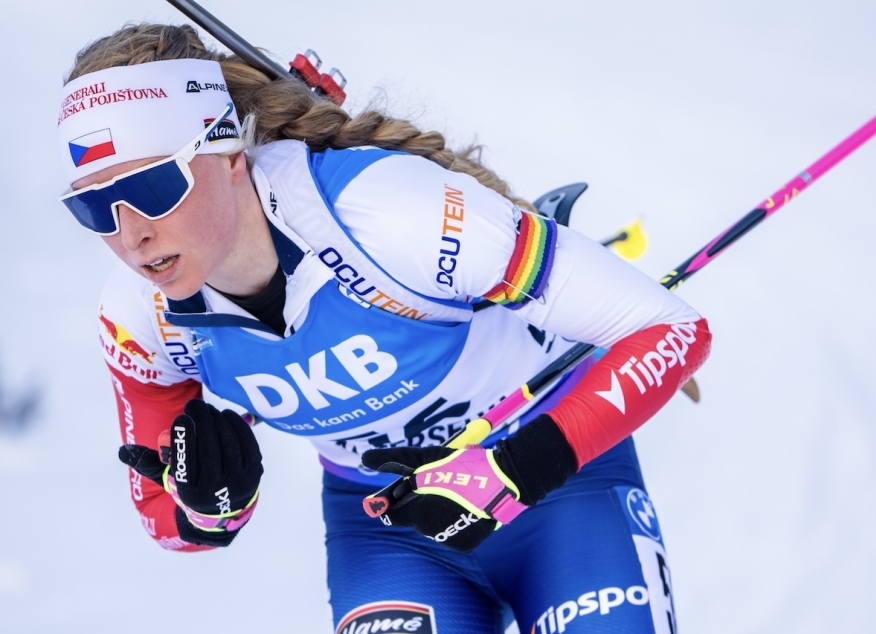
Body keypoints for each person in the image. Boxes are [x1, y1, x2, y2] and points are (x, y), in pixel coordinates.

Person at [57, 23, 711, 634]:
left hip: (560, 490)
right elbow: (168, 521)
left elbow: (672, 330)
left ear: (229, 153)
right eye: (93, 206)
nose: (130, 233)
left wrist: (518, 467)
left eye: (152, 188)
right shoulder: (140, 321)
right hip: (389, 531)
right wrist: (212, 501)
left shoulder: (385, 210)